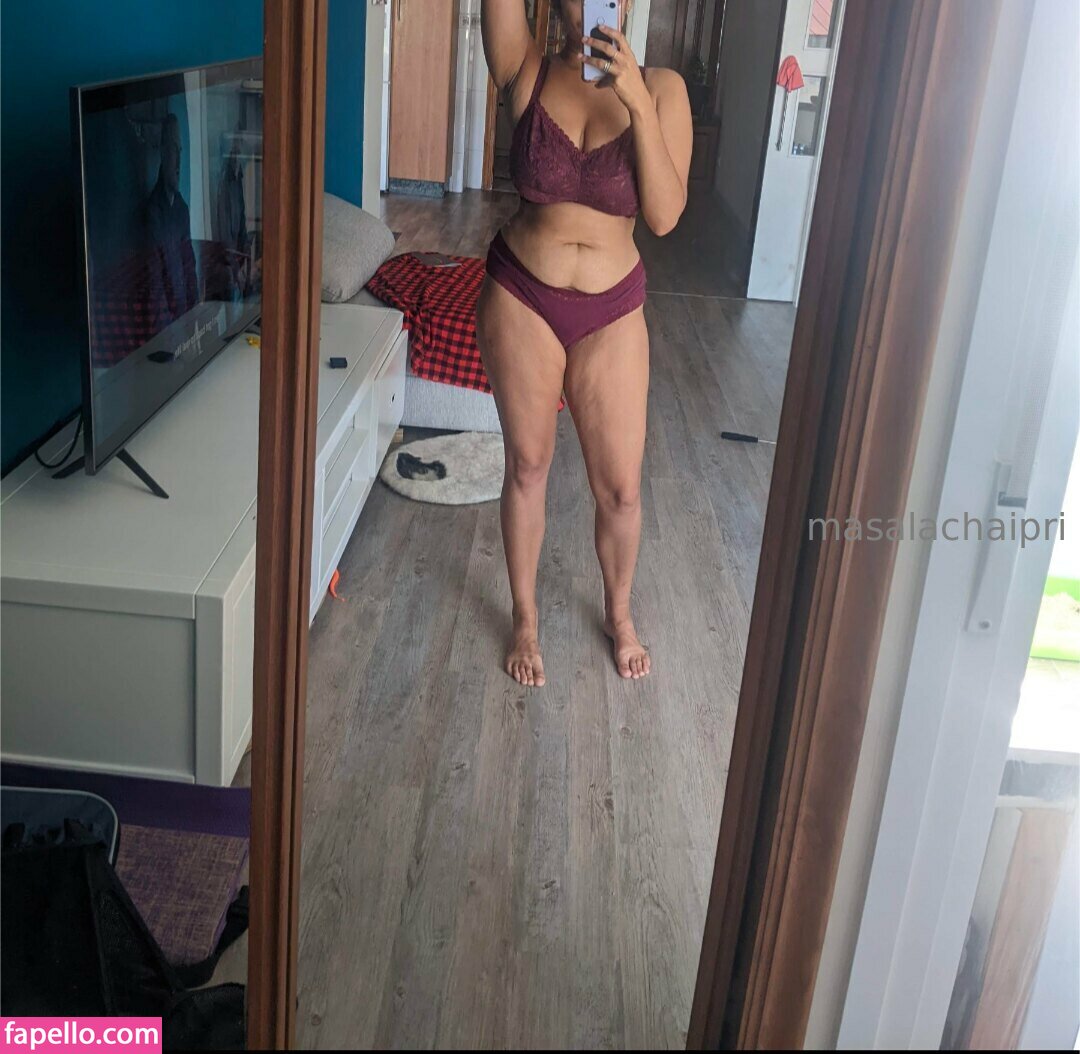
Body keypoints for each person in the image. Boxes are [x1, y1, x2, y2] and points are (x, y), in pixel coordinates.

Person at [478, 0, 692, 685]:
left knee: (622, 491)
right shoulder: (527, 66)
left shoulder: (662, 88)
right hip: (523, 293)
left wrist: (635, 99)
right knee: (527, 467)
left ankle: (619, 613)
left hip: (612, 307)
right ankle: (525, 618)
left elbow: (664, 216)